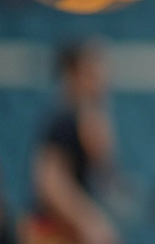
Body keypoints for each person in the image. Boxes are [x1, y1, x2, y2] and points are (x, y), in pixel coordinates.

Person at [23, 41, 119, 244]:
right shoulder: (63, 121)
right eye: (92, 72)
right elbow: (49, 184)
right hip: (53, 231)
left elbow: (102, 158)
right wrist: (87, 221)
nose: (101, 79)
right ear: (72, 74)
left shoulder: (82, 117)